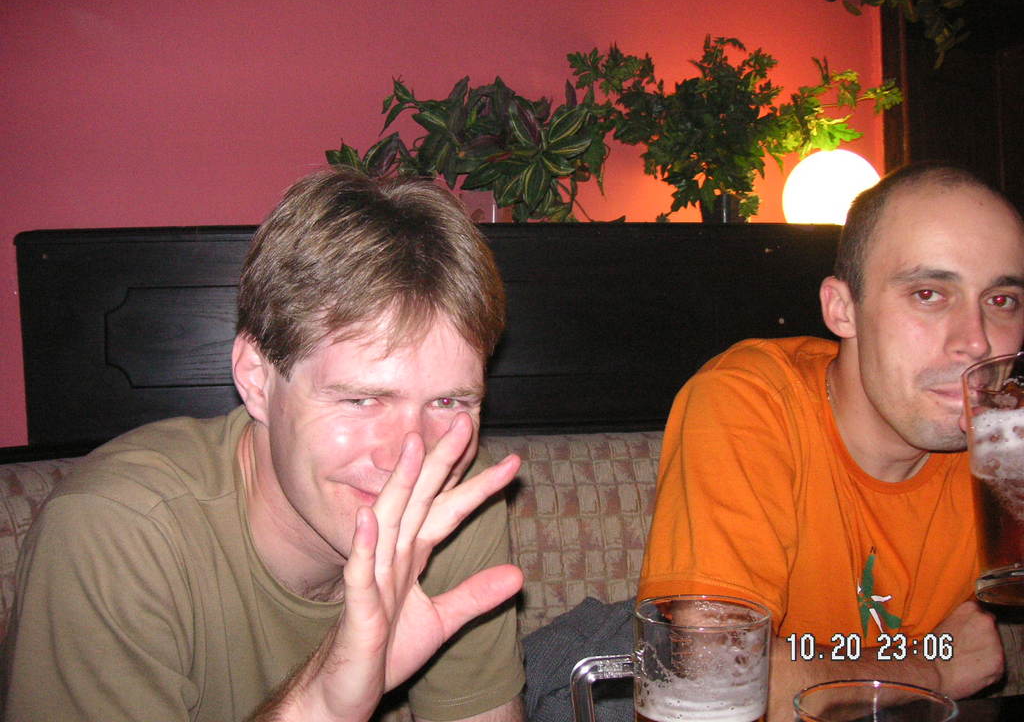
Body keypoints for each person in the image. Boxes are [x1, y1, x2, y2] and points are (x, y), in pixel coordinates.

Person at [1, 168, 526, 722]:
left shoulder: (453, 501)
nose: (409, 463)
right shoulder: (115, 533)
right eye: (361, 400)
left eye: (447, 402)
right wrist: (322, 704)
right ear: (257, 379)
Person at [639, 163, 1024, 721]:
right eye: (928, 294)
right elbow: (708, 677)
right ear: (842, 310)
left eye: (1002, 301)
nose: (977, 341)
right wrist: (931, 669)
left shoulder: (1005, 440)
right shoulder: (751, 400)